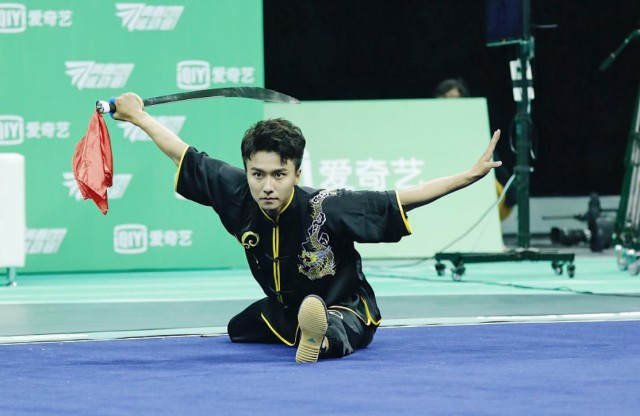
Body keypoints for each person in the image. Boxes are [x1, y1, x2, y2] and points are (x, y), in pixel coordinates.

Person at [113, 92, 502, 363]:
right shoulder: (237, 192)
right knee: (238, 328)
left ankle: (321, 338)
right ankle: (304, 329)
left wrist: (468, 177)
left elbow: (401, 198)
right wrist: (137, 116)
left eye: (279, 175)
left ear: (297, 174)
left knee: (336, 327)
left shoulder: (326, 205)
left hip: (345, 305)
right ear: (247, 170)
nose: (267, 186)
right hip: (284, 309)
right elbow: (183, 154)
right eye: (258, 174)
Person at [434, 77, 517, 220]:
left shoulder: (473, 130)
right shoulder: (433, 128)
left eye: (456, 100)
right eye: (446, 98)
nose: (451, 104)